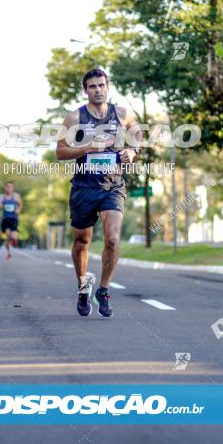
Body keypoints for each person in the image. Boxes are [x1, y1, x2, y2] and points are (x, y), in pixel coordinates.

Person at [55, 68, 141, 318]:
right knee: (82, 240)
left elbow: (137, 138)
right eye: (92, 86)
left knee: (112, 239)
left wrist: (132, 152)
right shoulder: (74, 118)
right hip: (83, 186)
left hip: (112, 185)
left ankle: (103, 290)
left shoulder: (123, 114)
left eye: (101, 85)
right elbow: (60, 152)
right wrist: (86, 148)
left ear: (108, 87)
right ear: (85, 90)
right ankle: (83, 288)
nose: (98, 90)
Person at [0, 181, 22, 259]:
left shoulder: (16, 196)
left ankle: (9, 242)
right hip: (5, 219)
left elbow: (20, 205)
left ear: (13, 188)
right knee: (7, 235)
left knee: (14, 237)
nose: (9, 188)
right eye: (8, 187)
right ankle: (9, 253)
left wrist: (18, 210)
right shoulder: (1, 196)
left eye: (11, 187)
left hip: (14, 218)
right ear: (5, 188)